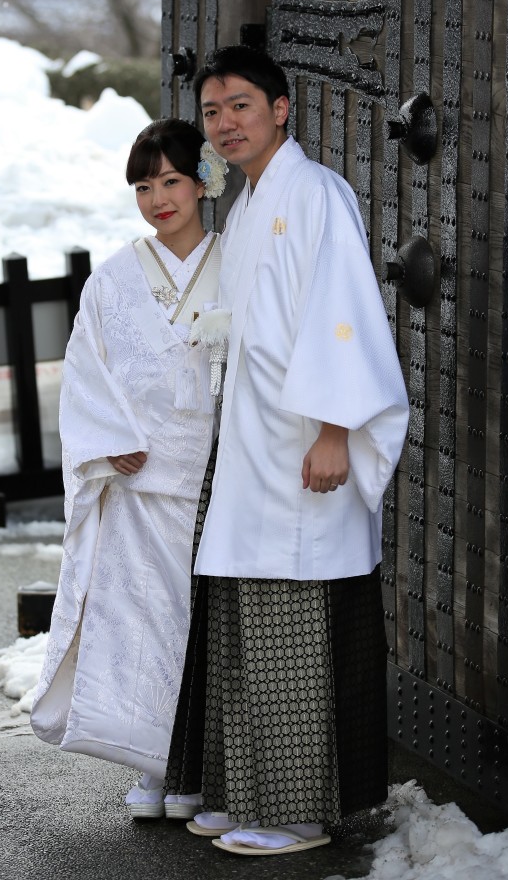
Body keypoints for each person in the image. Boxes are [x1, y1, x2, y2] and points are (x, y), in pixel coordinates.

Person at [163, 45, 410, 856]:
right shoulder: (245, 205)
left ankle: (301, 810)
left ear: (281, 108)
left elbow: (342, 312)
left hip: (305, 441)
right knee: (244, 614)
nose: (225, 123)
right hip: (254, 437)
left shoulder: (316, 193)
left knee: (294, 621)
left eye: (240, 105)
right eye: (212, 111)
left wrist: (337, 428)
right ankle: (248, 794)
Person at [30, 117, 227, 822]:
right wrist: (109, 441)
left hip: (214, 478)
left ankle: (199, 770)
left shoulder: (235, 264)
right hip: (138, 480)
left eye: (171, 181)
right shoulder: (113, 279)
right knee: (139, 626)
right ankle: (150, 766)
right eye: (143, 187)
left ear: (203, 182)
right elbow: (84, 370)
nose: (158, 199)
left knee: (204, 627)